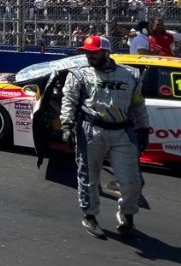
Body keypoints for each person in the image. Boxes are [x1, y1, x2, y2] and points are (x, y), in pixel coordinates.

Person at [61, 35, 149, 238]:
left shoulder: (131, 74)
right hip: (91, 131)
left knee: (132, 180)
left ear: (106, 52)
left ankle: (127, 214)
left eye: (94, 52)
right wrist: (67, 125)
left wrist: (144, 128)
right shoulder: (78, 75)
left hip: (123, 132)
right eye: (86, 52)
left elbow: (138, 103)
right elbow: (69, 100)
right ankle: (89, 216)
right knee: (89, 177)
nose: (89, 56)